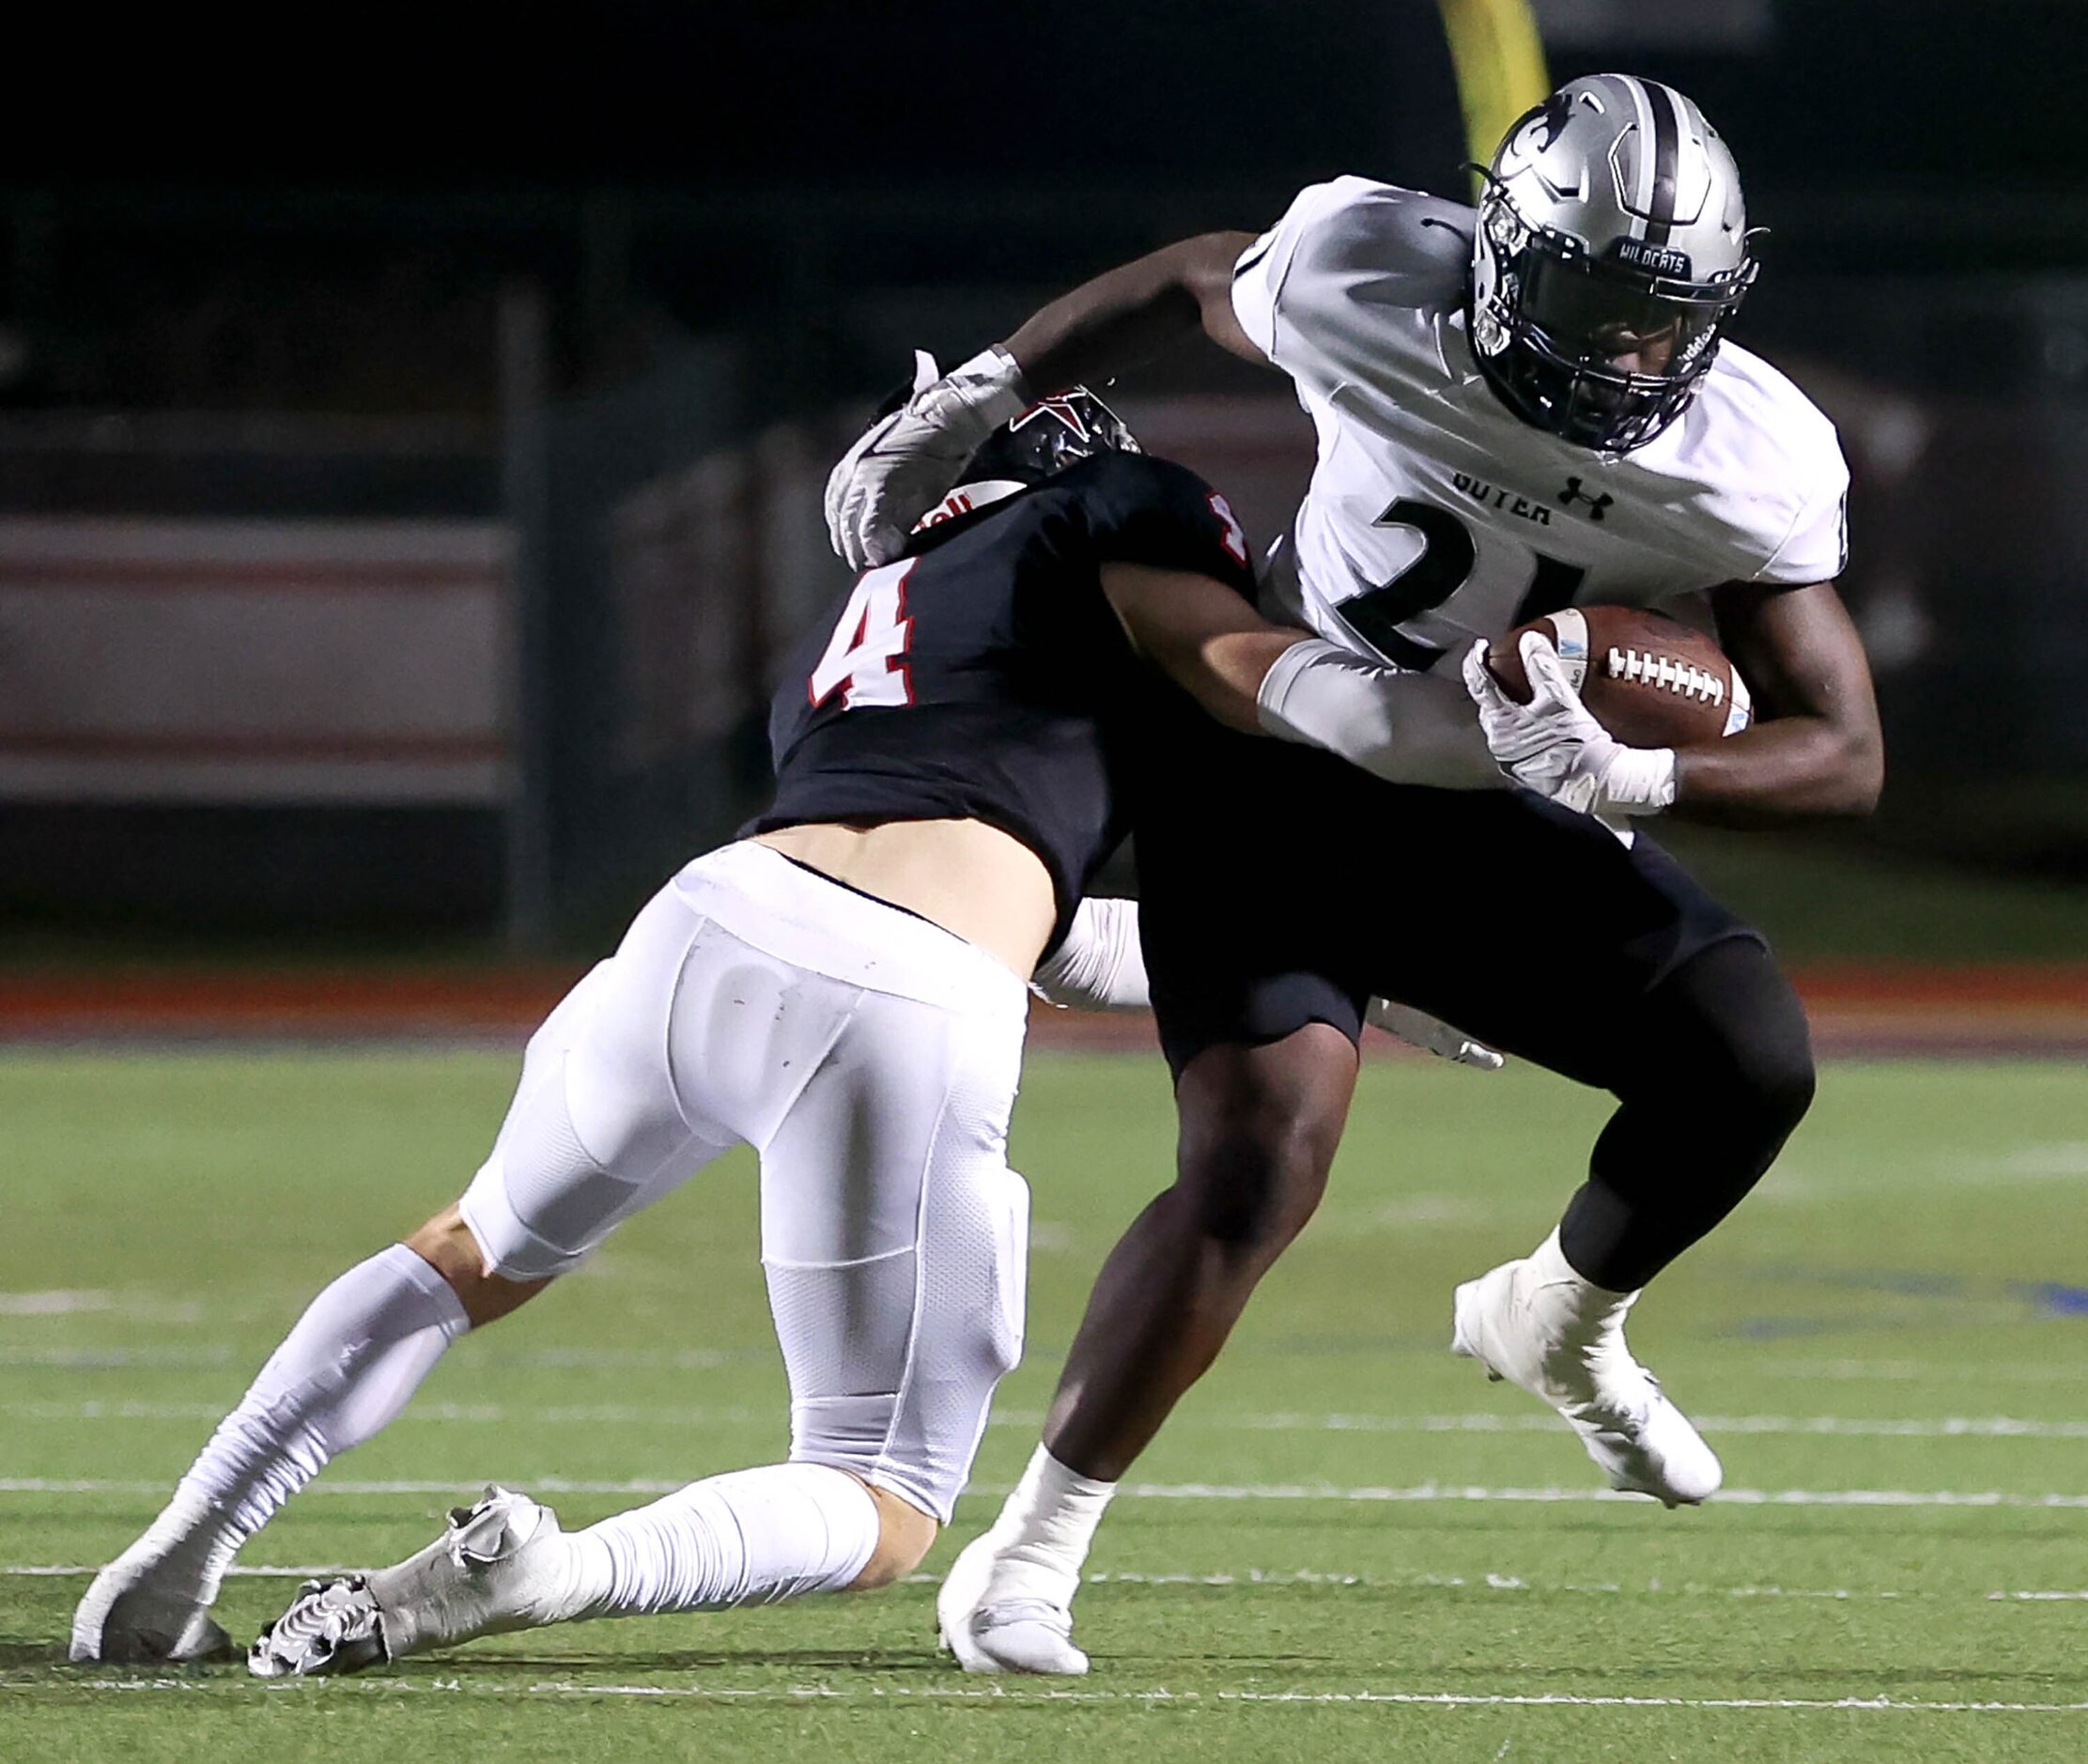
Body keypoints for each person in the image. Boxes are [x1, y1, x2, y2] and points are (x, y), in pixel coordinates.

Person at [71, 388, 1451, 1674]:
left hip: (707, 927)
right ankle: (545, 1572)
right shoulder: (1118, 527)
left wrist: (1359, 974)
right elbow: (992, 906)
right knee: (890, 1496)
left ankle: (172, 1556)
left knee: (465, 1251)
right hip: (899, 996)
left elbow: (1023, 918)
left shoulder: (872, 621)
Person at [825, 73, 1884, 1676]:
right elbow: (1188, 276)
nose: (1620, 352)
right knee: (1264, 1158)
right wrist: (974, 401)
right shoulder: (1365, 276)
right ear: (1505, 259)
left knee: (1747, 1061)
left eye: (1659, 317)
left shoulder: (1753, 457)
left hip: (1490, 794)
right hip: (1279, 756)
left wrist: (1640, 773)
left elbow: (1845, 747)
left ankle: (1560, 1319)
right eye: (1590, 300)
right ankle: (1026, 1552)